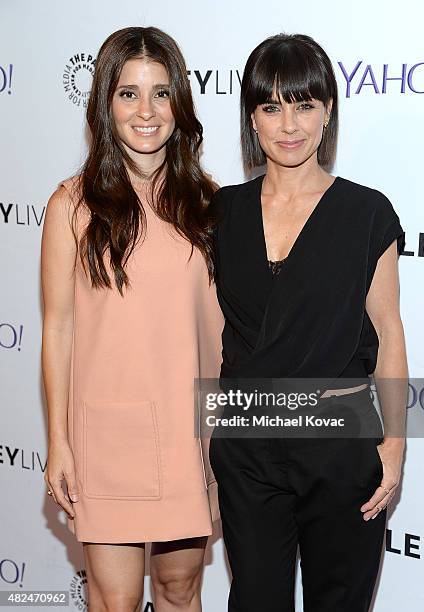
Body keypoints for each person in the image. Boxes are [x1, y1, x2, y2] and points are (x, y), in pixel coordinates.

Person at [208, 33, 408, 611]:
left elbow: (389, 332)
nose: (288, 124)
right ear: (251, 117)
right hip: (247, 447)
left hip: (341, 444)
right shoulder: (222, 212)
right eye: (271, 106)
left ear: (327, 113)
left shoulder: (366, 212)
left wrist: (393, 445)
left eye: (304, 104)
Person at [41, 26, 223, 612]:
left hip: (191, 429)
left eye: (162, 93)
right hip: (108, 433)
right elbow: (58, 329)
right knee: (115, 600)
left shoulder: (209, 204)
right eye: (128, 93)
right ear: (104, 102)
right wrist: (59, 442)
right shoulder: (71, 204)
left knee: (179, 589)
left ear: (181, 104)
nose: (146, 111)